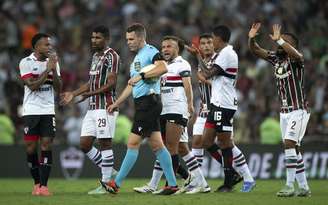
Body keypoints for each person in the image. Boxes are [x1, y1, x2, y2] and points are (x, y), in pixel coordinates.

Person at [105, 23, 178, 195]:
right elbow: (132, 85)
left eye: (131, 39)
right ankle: (172, 185)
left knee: (132, 143)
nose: (128, 42)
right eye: (127, 39)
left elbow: (163, 67)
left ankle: (116, 184)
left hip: (149, 103)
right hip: (144, 103)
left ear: (140, 38)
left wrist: (142, 75)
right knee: (158, 146)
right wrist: (117, 103)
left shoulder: (151, 51)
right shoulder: (137, 59)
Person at [133, 36, 209, 194]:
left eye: (169, 46)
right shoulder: (162, 66)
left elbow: (187, 85)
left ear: (177, 49)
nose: (165, 49)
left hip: (177, 109)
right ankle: (200, 183)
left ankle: (170, 185)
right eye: (163, 47)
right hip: (163, 110)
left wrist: (189, 104)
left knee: (169, 147)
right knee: (179, 148)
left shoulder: (182, 64)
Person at [190, 25, 255, 192]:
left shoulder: (225, 55)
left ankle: (233, 179)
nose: (207, 45)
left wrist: (198, 58)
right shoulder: (219, 56)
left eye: (210, 41)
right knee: (205, 141)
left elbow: (207, 75)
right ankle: (220, 176)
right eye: (203, 43)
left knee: (226, 143)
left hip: (223, 105)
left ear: (216, 40)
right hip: (212, 105)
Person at [248, 23, 311, 197]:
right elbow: (256, 50)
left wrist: (281, 40)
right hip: (284, 111)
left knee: (289, 144)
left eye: (285, 41)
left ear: (292, 45)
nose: (280, 43)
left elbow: (295, 53)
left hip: (299, 109)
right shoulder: (276, 58)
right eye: (279, 41)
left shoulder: (297, 59)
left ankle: (290, 185)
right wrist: (251, 38)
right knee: (294, 148)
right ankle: (304, 187)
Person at [60, 26, 119, 194]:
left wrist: (89, 94)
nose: (94, 40)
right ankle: (109, 169)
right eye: (93, 37)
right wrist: (73, 93)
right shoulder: (95, 56)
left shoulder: (112, 56)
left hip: (106, 106)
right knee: (84, 144)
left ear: (106, 39)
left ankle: (106, 183)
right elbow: (91, 82)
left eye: (98, 38)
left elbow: (112, 83)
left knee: (105, 143)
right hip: (93, 107)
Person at [19, 33, 62, 196]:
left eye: (50, 45)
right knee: (30, 148)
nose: (49, 48)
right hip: (30, 110)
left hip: (47, 110)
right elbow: (33, 86)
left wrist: (54, 70)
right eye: (46, 45)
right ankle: (36, 183)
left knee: (46, 145)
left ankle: (44, 186)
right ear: (36, 47)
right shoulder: (26, 62)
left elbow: (58, 88)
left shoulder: (53, 62)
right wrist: (48, 70)